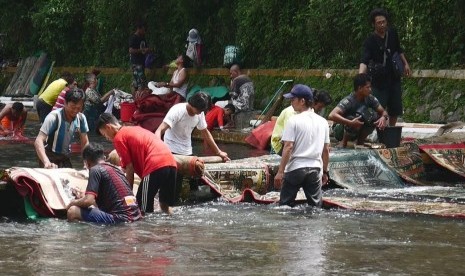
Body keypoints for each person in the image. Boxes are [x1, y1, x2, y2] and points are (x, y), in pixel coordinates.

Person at [96, 113, 177, 215]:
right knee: (165, 206)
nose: (107, 138)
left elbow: (130, 168)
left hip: (155, 165)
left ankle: (144, 231)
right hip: (171, 163)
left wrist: (127, 194)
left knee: (142, 209)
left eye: (104, 135)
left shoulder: (119, 138)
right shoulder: (133, 129)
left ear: (109, 127)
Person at [273, 84, 330, 208]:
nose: (291, 102)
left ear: (302, 101)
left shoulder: (293, 121)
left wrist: (280, 172)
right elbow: (326, 150)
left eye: (293, 99)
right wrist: (325, 172)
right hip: (315, 169)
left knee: (285, 207)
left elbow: (288, 146)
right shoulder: (323, 122)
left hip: (295, 168)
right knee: (315, 207)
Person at [359, 8, 411, 127]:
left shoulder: (392, 33)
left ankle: (391, 129)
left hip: (394, 76)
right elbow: (364, 61)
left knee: (395, 107)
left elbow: (398, 50)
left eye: (384, 22)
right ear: (373, 24)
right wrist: (361, 77)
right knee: (378, 107)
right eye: (379, 23)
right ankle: (378, 130)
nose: (382, 25)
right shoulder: (370, 41)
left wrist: (405, 64)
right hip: (379, 80)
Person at [66, 143, 142, 224]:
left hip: (121, 219)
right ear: (104, 158)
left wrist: (72, 203)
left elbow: (88, 201)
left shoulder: (95, 170)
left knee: (73, 211)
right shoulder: (117, 170)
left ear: (87, 163)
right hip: (136, 216)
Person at [154, 92, 229, 161]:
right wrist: (158, 149)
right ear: (192, 104)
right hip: (171, 149)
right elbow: (159, 130)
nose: (200, 112)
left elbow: (205, 133)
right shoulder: (177, 110)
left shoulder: (200, 113)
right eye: (199, 110)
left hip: (187, 151)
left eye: (202, 110)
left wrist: (218, 152)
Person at [328, 73, 388, 148]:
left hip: (358, 128)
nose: (370, 90)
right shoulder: (349, 100)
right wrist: (350, 122)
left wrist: (383, 118)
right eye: (367, 87)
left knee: (373, 117)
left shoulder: (370, 98)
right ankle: (343, 142)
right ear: (360, 88)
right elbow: (331, 115)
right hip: (341, 130)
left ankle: (360, 142)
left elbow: (383, 111)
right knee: (352, 118)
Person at [34, 88, 89, 168]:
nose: (75, 111)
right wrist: (46, 162)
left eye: (79, 108)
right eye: (73, 107)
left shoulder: (81, 118)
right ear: (65, 103)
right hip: (49, 157)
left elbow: (85, 142)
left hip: (65, 157)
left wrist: (86, 161)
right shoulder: (53, 117)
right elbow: (38, 141)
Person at [271, 90, 333, 155]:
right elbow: (288, 140)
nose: (320, 110)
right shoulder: (291, 112)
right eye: (320, 107)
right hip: (280, 144)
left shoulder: (311, 113)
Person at [129, 21, 149, 92]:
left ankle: (135, 99)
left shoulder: (143, 38)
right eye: (143, 29)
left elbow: (144, 49)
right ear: (139, 29)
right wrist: (141, 50)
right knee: (141, 83)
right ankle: (138, 100)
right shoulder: (134, 38)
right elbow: (131, 50)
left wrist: (147, 50)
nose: (144, 31)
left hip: (142, 62)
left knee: (136, 83)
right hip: (136, 63)